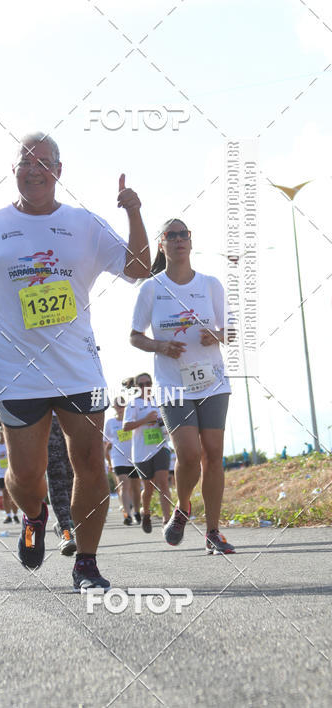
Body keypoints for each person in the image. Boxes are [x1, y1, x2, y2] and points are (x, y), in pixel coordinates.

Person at [0, 132, 150, 590]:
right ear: (14, 169)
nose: (33, 169)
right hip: (16, 372)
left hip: (78, 367)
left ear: (59, 170)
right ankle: (35, 516)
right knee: (25, 476)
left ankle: (87, 563)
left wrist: (134, 212)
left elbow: (138, 268)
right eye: (25, 161)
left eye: (43, 162)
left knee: (91, 464)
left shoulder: (83, 224)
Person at [130, 218, 236, 555]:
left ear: (190, 241)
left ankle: (213, 532)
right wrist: (160, 346)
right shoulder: (151, 288)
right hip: (172, 384)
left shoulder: (210, 284)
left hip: (212, 381)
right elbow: (135, 337)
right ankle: (183, 506)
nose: (179, 239)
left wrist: (216, 335)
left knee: (213, 454)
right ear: (161, 244)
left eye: (184, 234)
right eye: (171, 235)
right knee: (189, 454)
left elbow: (232, 330)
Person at [122, 373, 171, 533]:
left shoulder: (159, 401)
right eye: (141, 384)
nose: (145, 387)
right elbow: (126, 427)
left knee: (163, 482)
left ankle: (166, 521)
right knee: (148, 488)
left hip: (161, 446)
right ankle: (146, 513)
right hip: (142, 451)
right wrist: (145, 420)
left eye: (148, 383)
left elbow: (169, 420)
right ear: (136, 387)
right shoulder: (133, 404)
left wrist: (162, 422)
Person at [104, 397, 141, 526]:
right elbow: (105, 443)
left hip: (135, 457)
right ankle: (127, 515)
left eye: (122, 405)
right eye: (117, 405)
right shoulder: (110, 422)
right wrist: (108, 461)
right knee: (124, 485)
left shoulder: (132, 421)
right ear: (114, 407)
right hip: (118, 458)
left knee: (136, 487)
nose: (120, 408)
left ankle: (137, 512)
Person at [47, 413, 76, 556]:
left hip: (72, 417)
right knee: (57, 475)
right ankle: (66, 532)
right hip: (45, 419)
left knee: (73, 476)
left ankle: (69, 524)